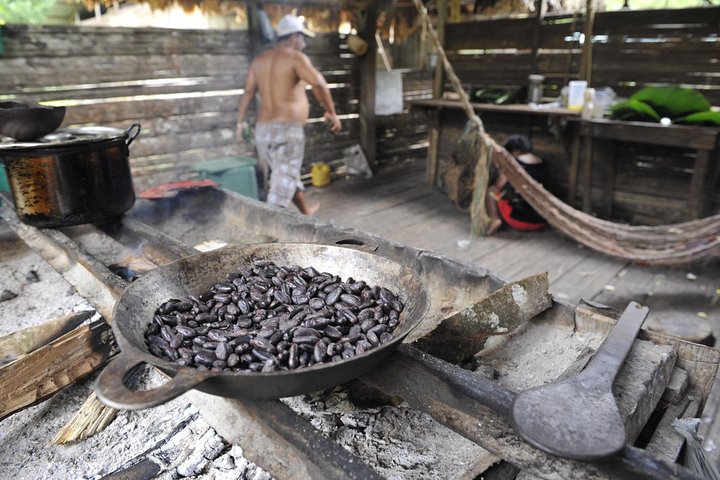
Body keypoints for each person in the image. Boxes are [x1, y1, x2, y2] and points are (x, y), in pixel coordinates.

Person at [236, 14, 342, 215]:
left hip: (264, 132)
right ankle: (267, 231)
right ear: (294, 37)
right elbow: (319, 83)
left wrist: (239, 123)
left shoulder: (259, 61)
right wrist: (331, 112)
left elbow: (248, 93)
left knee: (284, 175)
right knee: (280, 185)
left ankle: (305, 211)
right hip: (286, 131)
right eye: (303, 38)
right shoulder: (295, 57)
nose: (304, 43)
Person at [486, 134, 548, 234]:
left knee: (491, 190)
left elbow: (498, 187)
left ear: (515, 151)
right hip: (541, 220)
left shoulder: (513, 164)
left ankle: (494, 220)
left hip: (519, 220)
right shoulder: (543, 162)